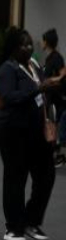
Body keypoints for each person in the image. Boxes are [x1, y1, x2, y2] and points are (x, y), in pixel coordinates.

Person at [0, 27, 61, 240]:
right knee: (16, 177)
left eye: (30, 43)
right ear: (13, 47)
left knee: (46, 176)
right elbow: (9, 97)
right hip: (14, 131)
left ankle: (31, 221)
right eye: (23, 44)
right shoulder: (7, 69)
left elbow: (43, 93)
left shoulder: (33, 65)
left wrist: (51, 87)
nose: (28, 47)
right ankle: (13, 227)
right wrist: (39, 88)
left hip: (37, 130)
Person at [42, 28, 65, 165]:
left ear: (47, 42)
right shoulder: (50, 58)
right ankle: (52, 153)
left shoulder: (57, 57)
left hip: (55, 97)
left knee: (53, 123)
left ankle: (57, 154)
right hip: (49, 96)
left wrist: (51, 80)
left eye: (43, 40)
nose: (41, 43)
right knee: (50, 123)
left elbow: (63, 74)